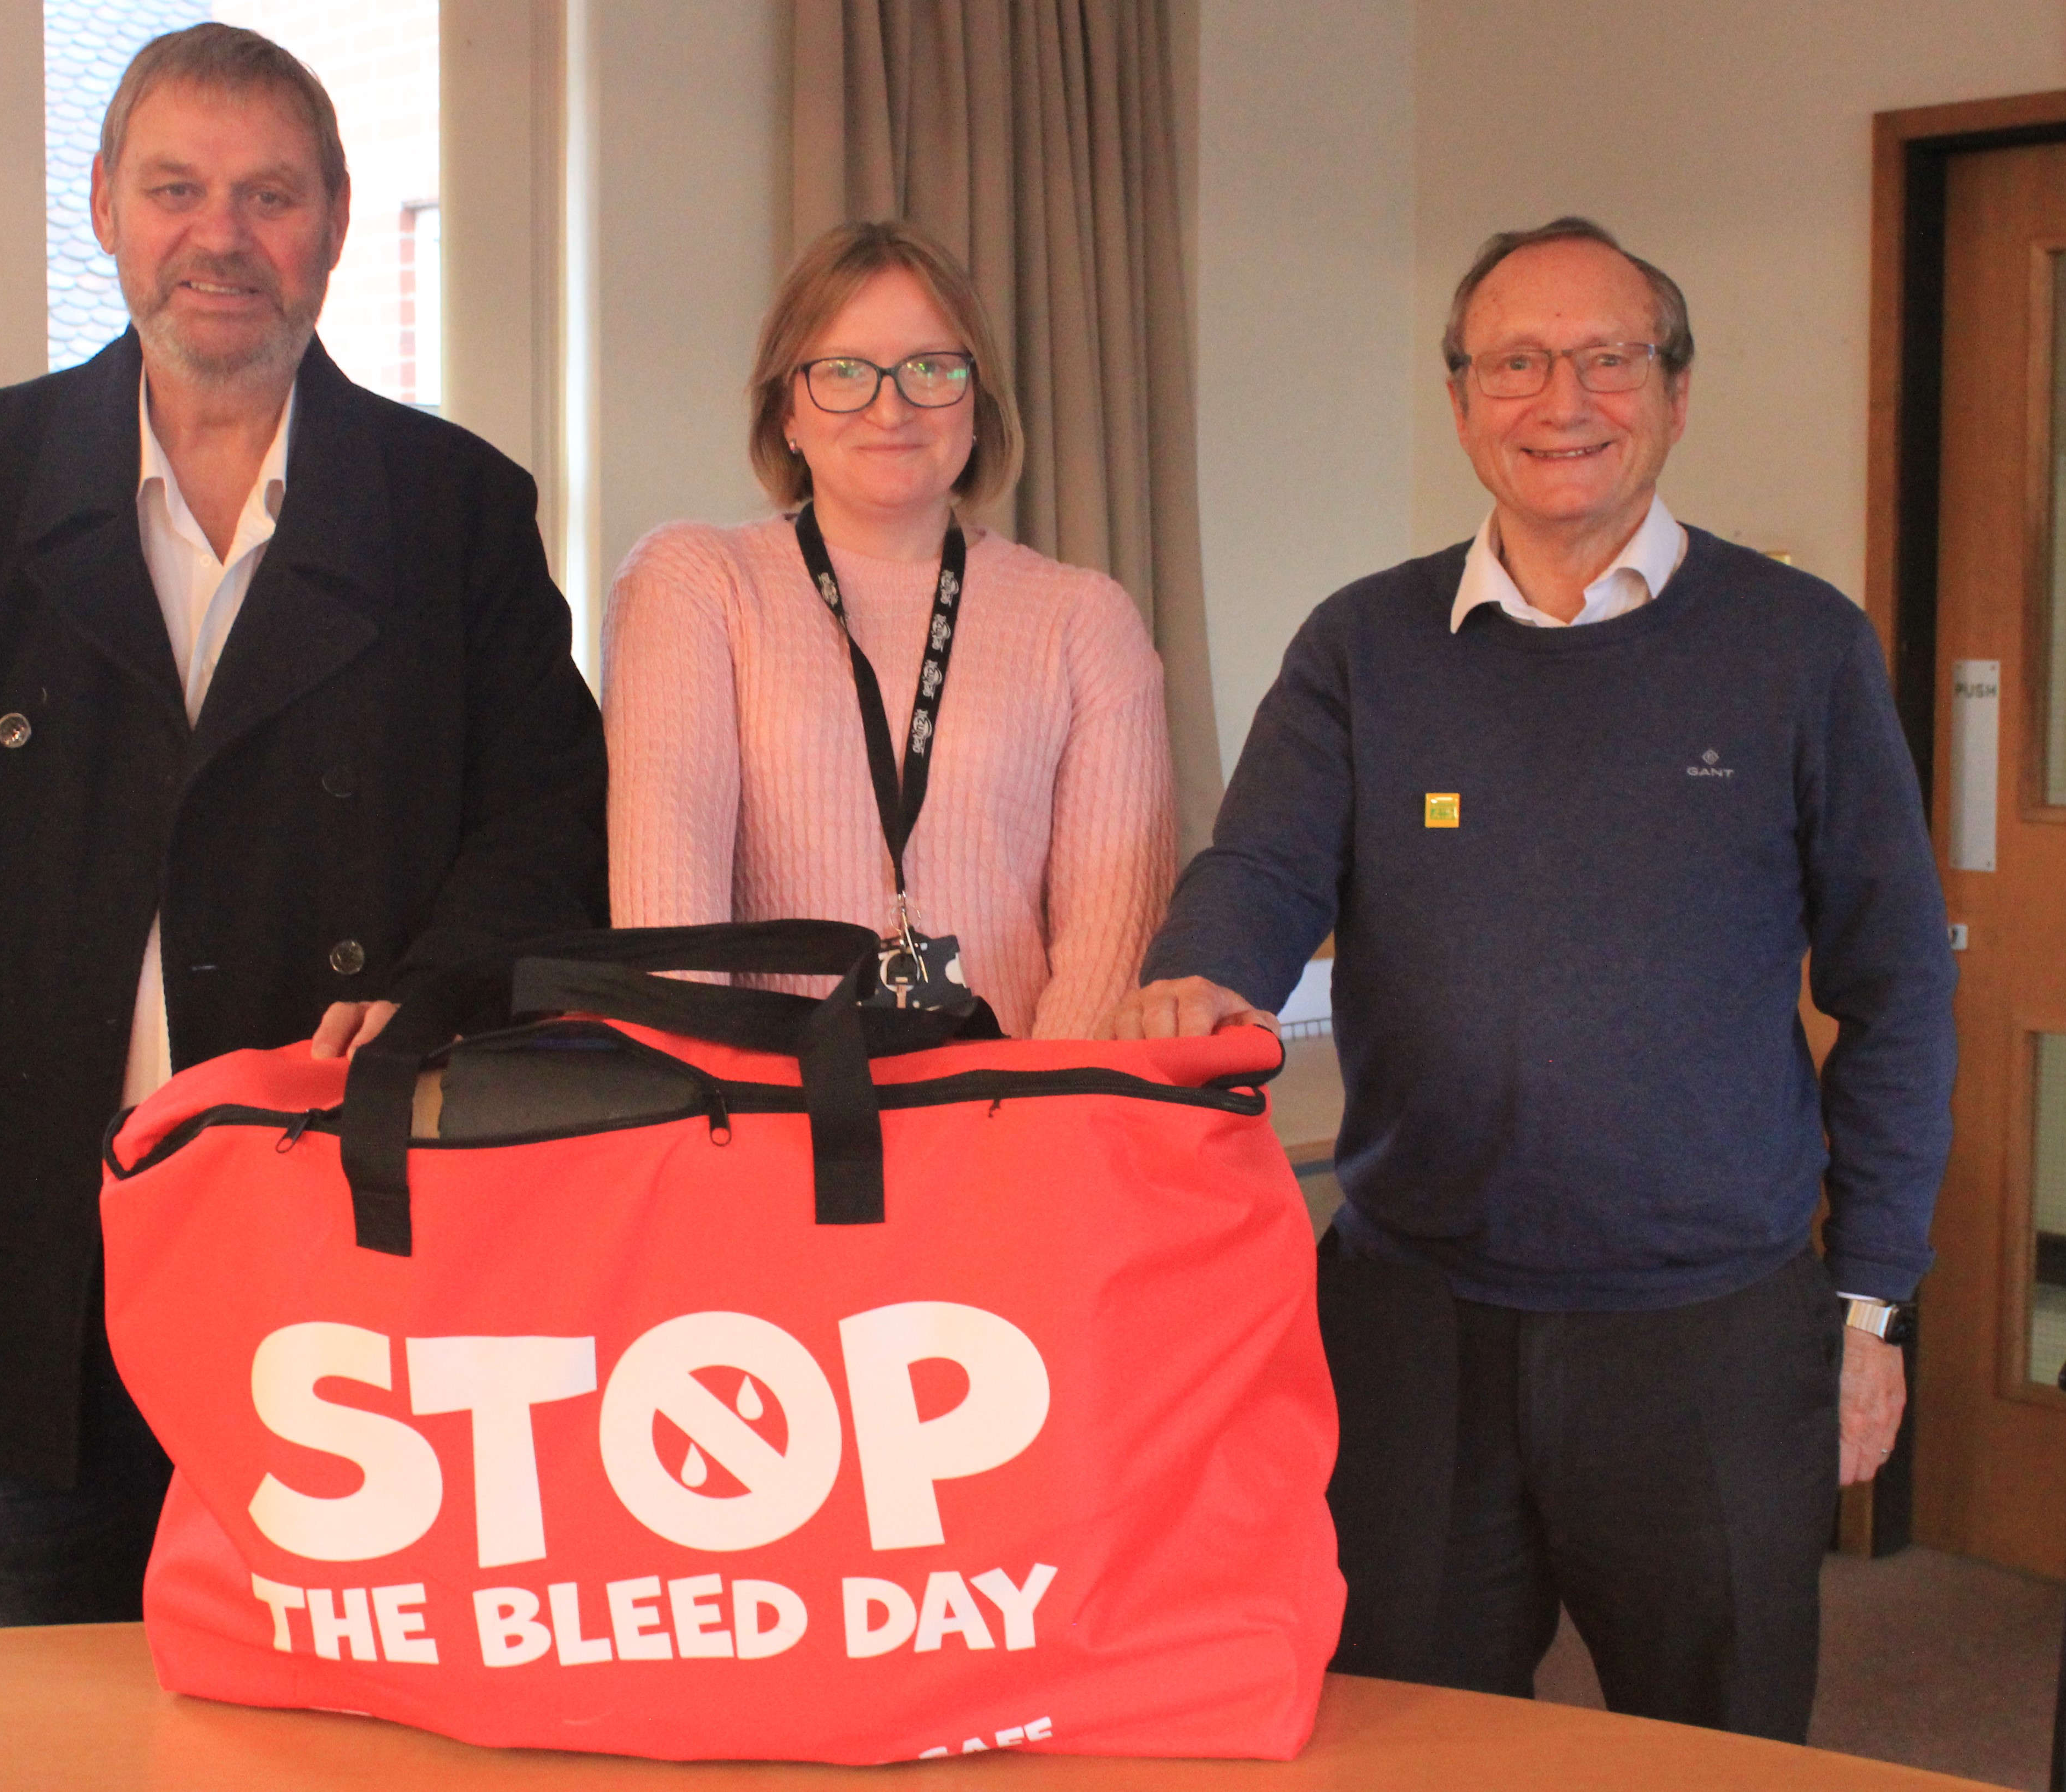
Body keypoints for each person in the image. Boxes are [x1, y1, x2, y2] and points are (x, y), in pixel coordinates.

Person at [0, 25, 606, 1626]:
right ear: (105, 208)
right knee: (55, 1689)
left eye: (269, 194)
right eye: (178, 188)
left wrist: (434, 984)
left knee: (336, 1691)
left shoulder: (453, 508)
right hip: (7, 1234)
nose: (223, 235)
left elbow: (549, 826)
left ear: (335, 219)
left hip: (339, 1232)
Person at [1103, 217, 1954, 1740]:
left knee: (1718, 1744)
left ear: (1674, 392)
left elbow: (1896, 984)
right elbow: (1262, 866)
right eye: (1515, 360)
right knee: (1404, 1736)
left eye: (1605, 356)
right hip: (1413, 1316)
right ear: (1461, 401)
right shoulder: (1363, 642)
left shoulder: (1799, 647)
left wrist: (1874, 1304)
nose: (1560, 396)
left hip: (1703, 1328)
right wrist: (1198, 973)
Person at [600, 220, 1172, 1038]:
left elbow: (1107, 953)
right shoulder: (695, 584)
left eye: (932, 368)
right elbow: (673, 947)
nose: (890, 405)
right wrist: (757, 1138)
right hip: (771, 1125)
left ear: (978, 401)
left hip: (1016, 1127)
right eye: (843, 371)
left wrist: (1015, 1137)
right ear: (787, 410)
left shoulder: (1085, 621)